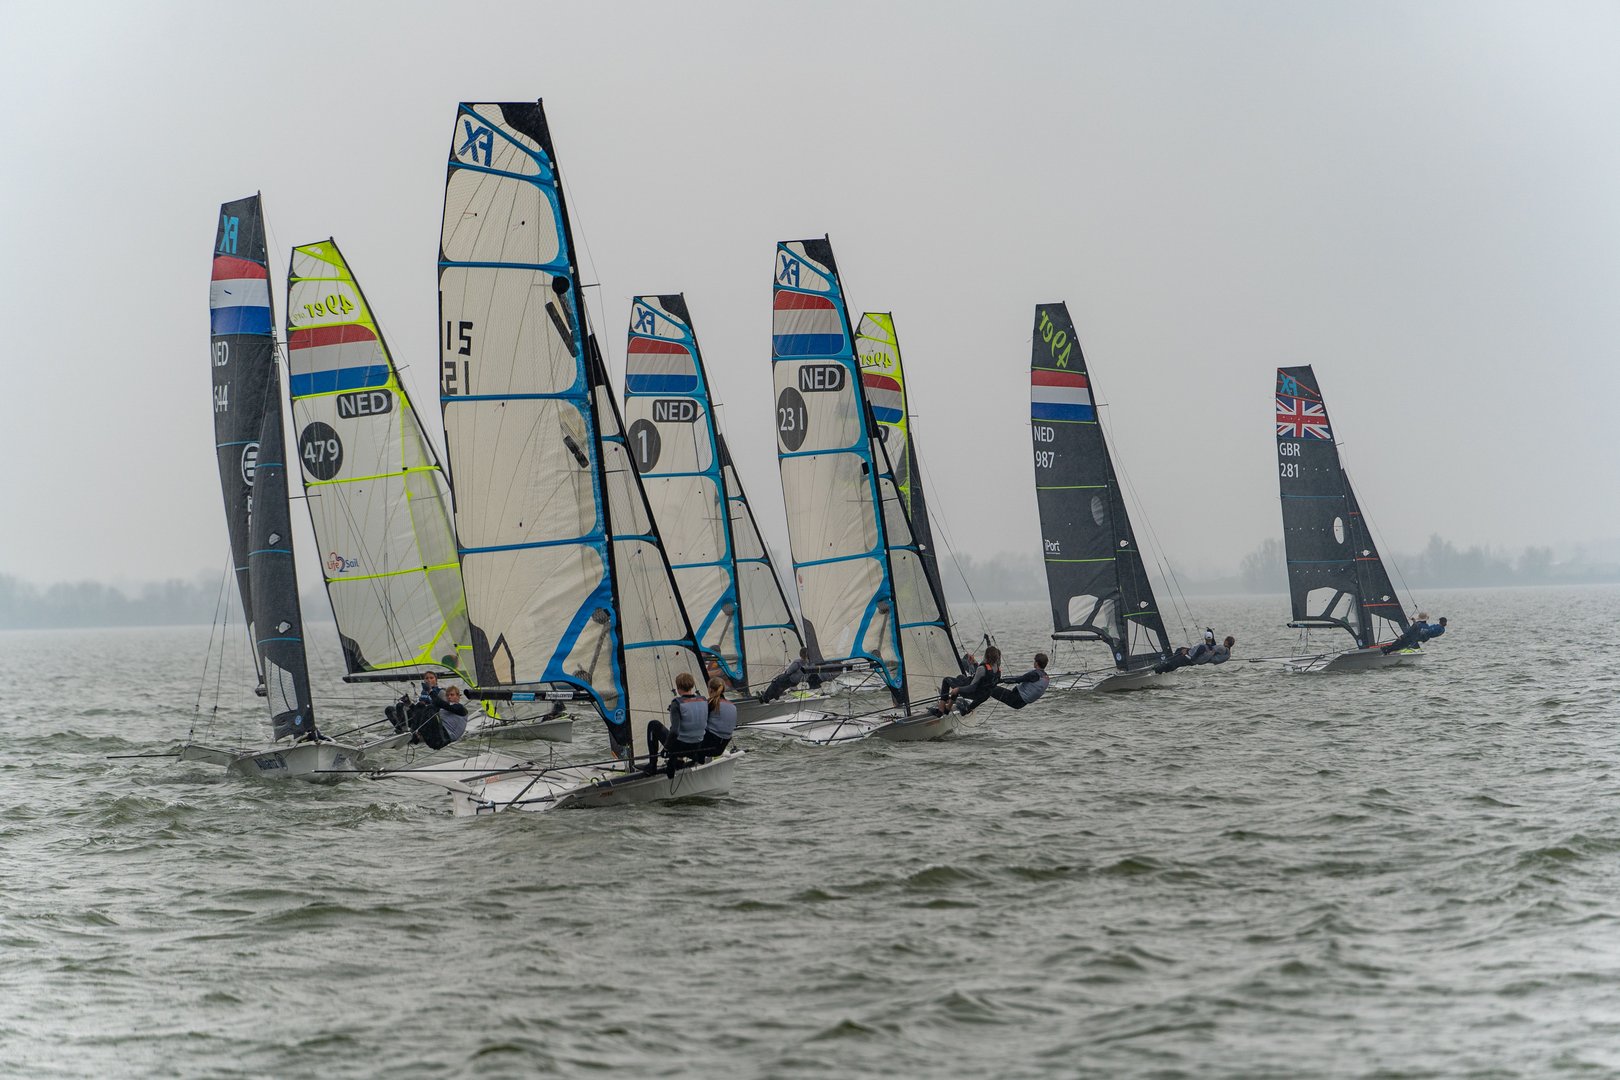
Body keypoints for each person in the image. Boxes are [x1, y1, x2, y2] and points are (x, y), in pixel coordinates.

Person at [645, 671, 709, 777]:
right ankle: (678, 760)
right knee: (683, 734)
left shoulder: (676, 703)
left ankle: (652, 766)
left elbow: (674, 731)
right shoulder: (703, 700)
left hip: (681, 747)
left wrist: (665, 749)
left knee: (653, 724)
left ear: (678, 688)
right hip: (698, 746)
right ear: (692, 685)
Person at [934, 646, 1002, 716]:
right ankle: (948, 708)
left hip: (971, 692)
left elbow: (972, 687)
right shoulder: (997, 670)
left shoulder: (982, 669)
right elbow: (982, 676)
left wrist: (958, 689)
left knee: (946, 680)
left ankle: (941, 710)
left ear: (986, 655)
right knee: (960, 677)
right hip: (981, 695)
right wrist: (975, 663)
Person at [407, 684, 470, 750]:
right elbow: (423, 712)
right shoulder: (444, 709)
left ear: (458, 696)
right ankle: (414, 734)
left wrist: (430, 691)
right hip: (433, 738)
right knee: (420, 706)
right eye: (447, 695)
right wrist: (409, 704)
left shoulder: (461, 709)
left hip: (444, 738)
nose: (449, 697)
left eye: (452, 695)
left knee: (431, 708)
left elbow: (439, 703)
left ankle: (418, 734)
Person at [755, 648, 826, 703]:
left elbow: (789, 672)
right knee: (781, 687)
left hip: (789, 679)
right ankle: (773, 696)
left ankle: (764, 698)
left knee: (775, 682)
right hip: (795, 682)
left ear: (800, 654)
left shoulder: (798, 662)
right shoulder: (811, 664)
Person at [698, 677, 738, 760]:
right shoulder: (733, 706)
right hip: (720, 749)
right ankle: (700, 758)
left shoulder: (710, 703)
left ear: (710, 689)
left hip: (707, 748)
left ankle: (677, 760)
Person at [1382, 613, 1446, 654]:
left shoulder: (1418, 624)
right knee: (1399, 645)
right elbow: (1420, 629)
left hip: (1410, 639)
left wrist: (1402, 636)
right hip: (1416, 640)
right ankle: (1388, 650)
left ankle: (1386, 650)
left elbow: (1410, 631)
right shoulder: (1426, 626)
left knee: (1397, 644)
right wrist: (1414, 621)